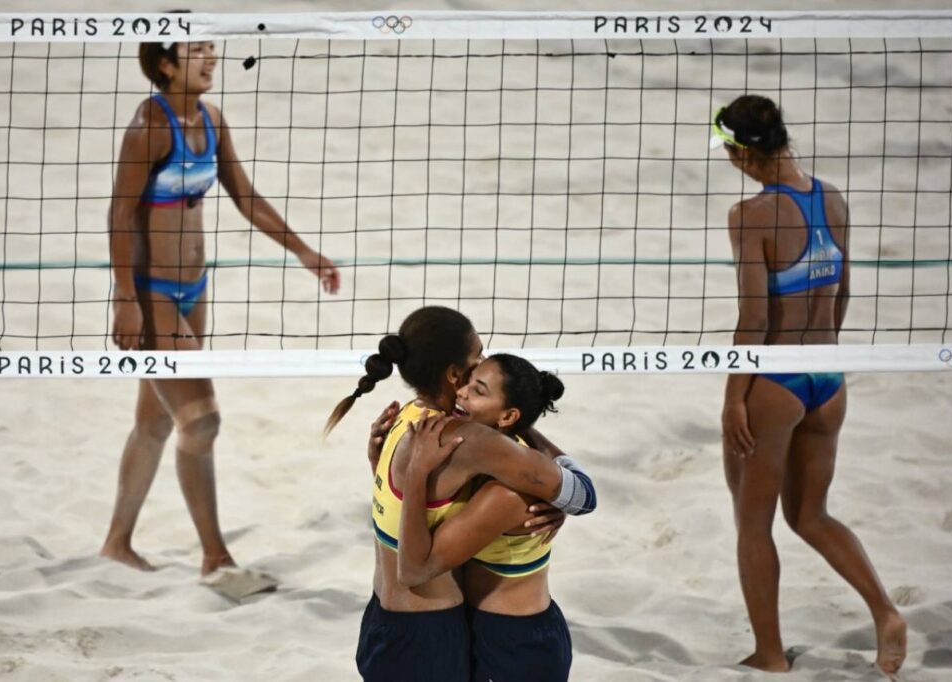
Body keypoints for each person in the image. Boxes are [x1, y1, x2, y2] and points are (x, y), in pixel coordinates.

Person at [101, 39, 340, 576]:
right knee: (201, 420)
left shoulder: (210, 118)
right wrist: (124, 298)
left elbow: (246, 196)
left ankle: (117, 543)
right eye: (196, 52)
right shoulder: (150, 126)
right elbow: (119, 212)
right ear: (164, 64)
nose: (210, 60)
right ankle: (216, 556)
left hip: (194, 289)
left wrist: (303, 251)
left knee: (155, 421)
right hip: (151, 292)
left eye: (212, 50)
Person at [713, 95, 906, 674]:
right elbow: (842, 294)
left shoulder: (750, 215)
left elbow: (754, 320)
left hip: (775, 379)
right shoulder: (834, 199)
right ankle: (885, 611)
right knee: (811, 514)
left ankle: (770, 655)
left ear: (743, 152)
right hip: (828, 375)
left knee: (753, 524)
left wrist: (733, 397)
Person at [325, 305, 595, 682]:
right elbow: (583, 494)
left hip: (382, 622)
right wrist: (556, 495)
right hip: (432, 635)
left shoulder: (404, 418)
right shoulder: (471, 441)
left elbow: (402, 508)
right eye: (477, 356)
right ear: (454, 375)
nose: (483, 361)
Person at [398, 354, 573, 682]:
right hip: (486, 627)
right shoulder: (498, 454)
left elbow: (415, 568)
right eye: (467, 383)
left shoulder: (506, 493)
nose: (461, 392)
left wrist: (416, 472)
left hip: (516, 641)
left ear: (508, 415)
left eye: (478, 391)